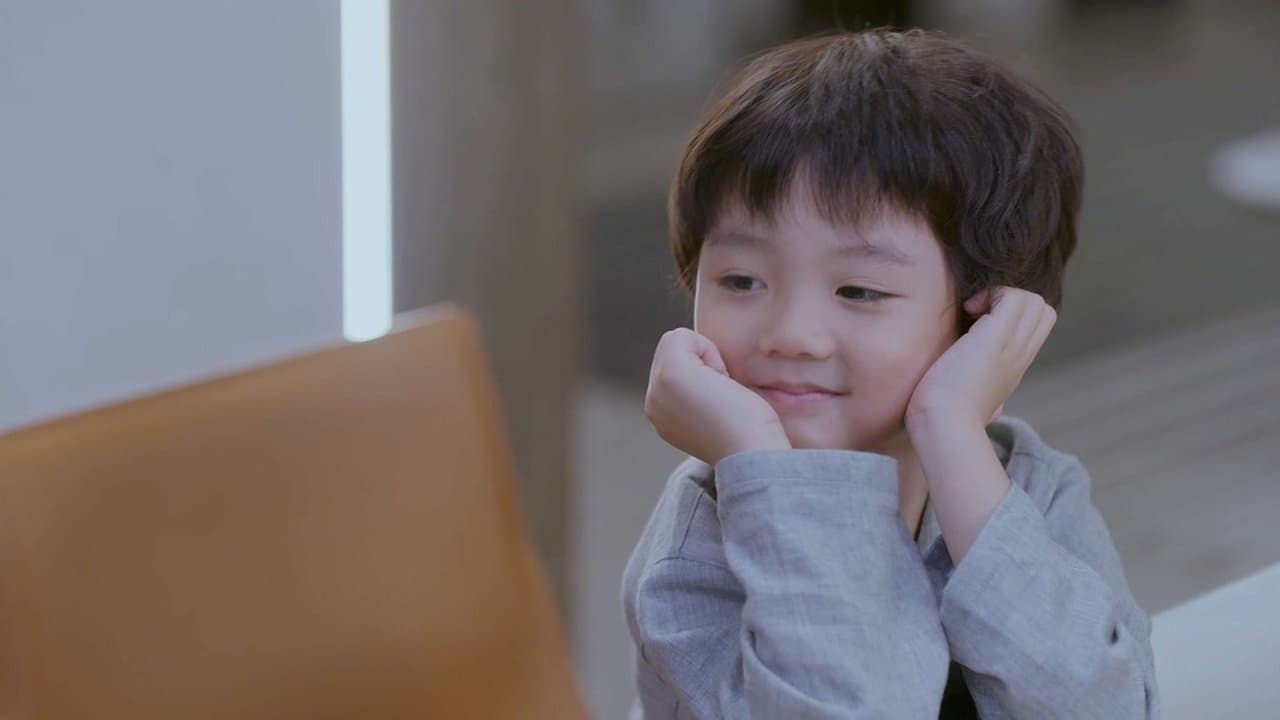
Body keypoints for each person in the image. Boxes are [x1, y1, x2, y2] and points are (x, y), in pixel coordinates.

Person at [621, 28, 1160, 718]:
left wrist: (952, 430)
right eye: (741, 280)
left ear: (982, 321)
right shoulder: (696, 551)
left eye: (859, 291)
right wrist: (765, 466)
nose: (790, 335)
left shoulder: (1032, 488)